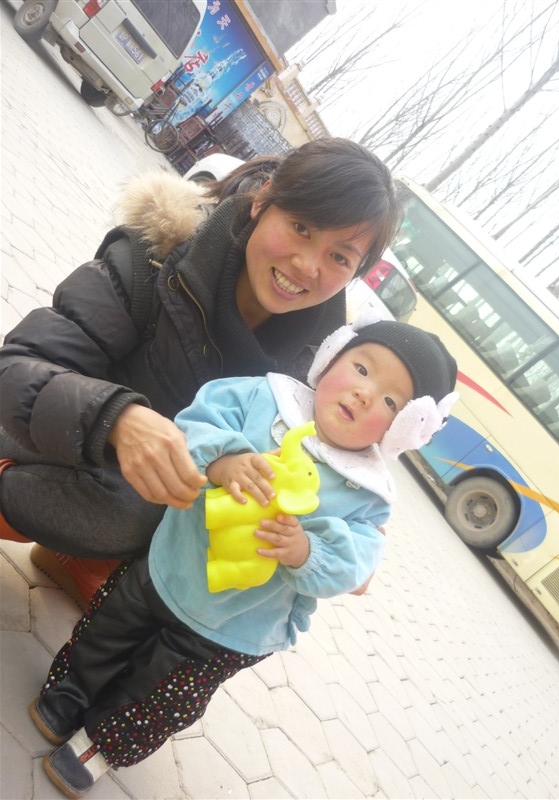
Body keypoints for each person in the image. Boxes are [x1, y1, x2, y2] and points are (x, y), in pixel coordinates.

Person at [28, 318, 458, 798]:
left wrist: (308, 552)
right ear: (330, 357)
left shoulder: (368, 494)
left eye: (391, 401)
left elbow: (357, 562)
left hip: (234, 626)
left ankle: (100, 744)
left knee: (159, 692)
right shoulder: (264, 397)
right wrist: (220, 459)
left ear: (402, 430)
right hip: (170, 563)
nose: (364, 393)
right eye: (361, 368)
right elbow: (196, 421)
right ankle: (68, 692)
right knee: (108, 628)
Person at [0, 138, 401, 607]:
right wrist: (119, 419)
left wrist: (349, 534)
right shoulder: (154, 261)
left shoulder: (322, 367)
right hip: (45, 439)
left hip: (143, 495)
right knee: (138, 507)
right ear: (262, 201)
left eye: (339, 257)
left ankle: (85, 561)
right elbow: (16, 367)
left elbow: (316, 470)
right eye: (301, 227)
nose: (307, 265)